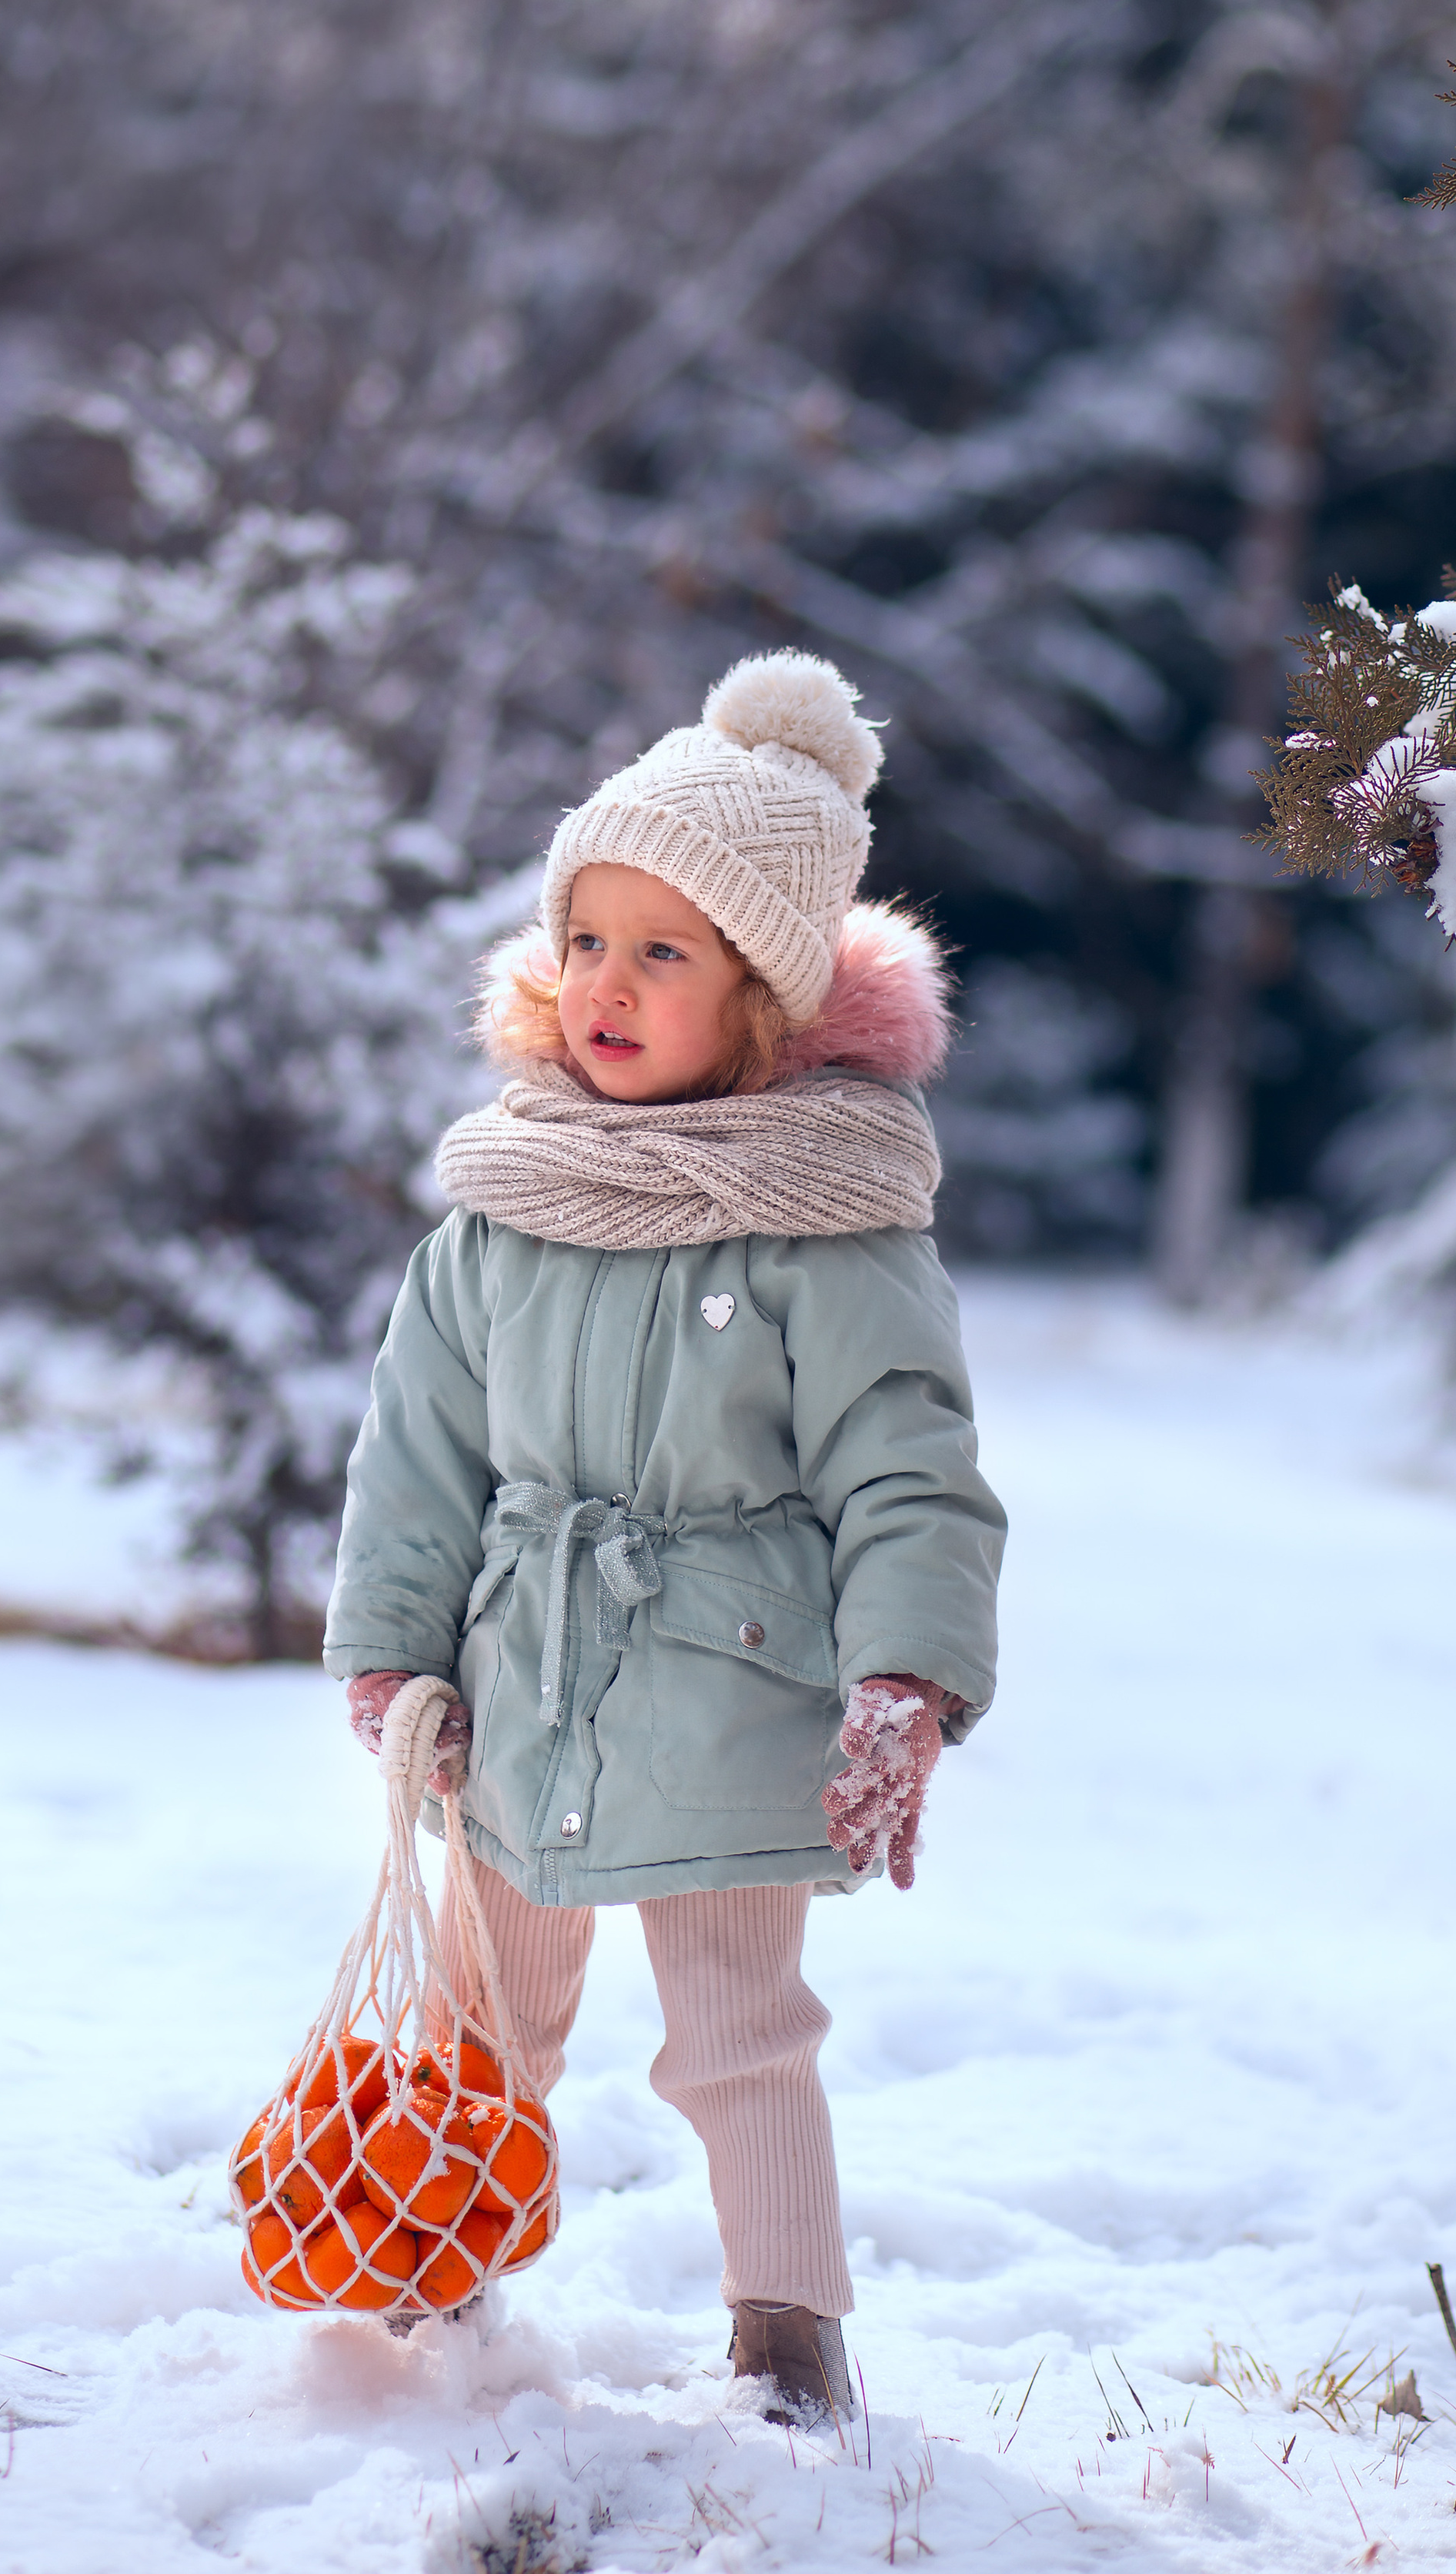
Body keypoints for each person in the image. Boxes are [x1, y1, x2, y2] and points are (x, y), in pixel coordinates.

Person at [322, 649, 1005, 2425]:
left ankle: (789, 2339)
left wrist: (904, 1676)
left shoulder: (831, 1227)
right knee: (483, 2021)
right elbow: (418, 1452)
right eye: (585, 939)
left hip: (731, 1683)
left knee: (738, 2034)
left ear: (767, 999)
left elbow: (906, 1467)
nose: (605, 987)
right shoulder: (505, 1206)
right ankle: (436, 2279)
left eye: (664, 952)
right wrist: (392, 1646)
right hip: (515, 1680)